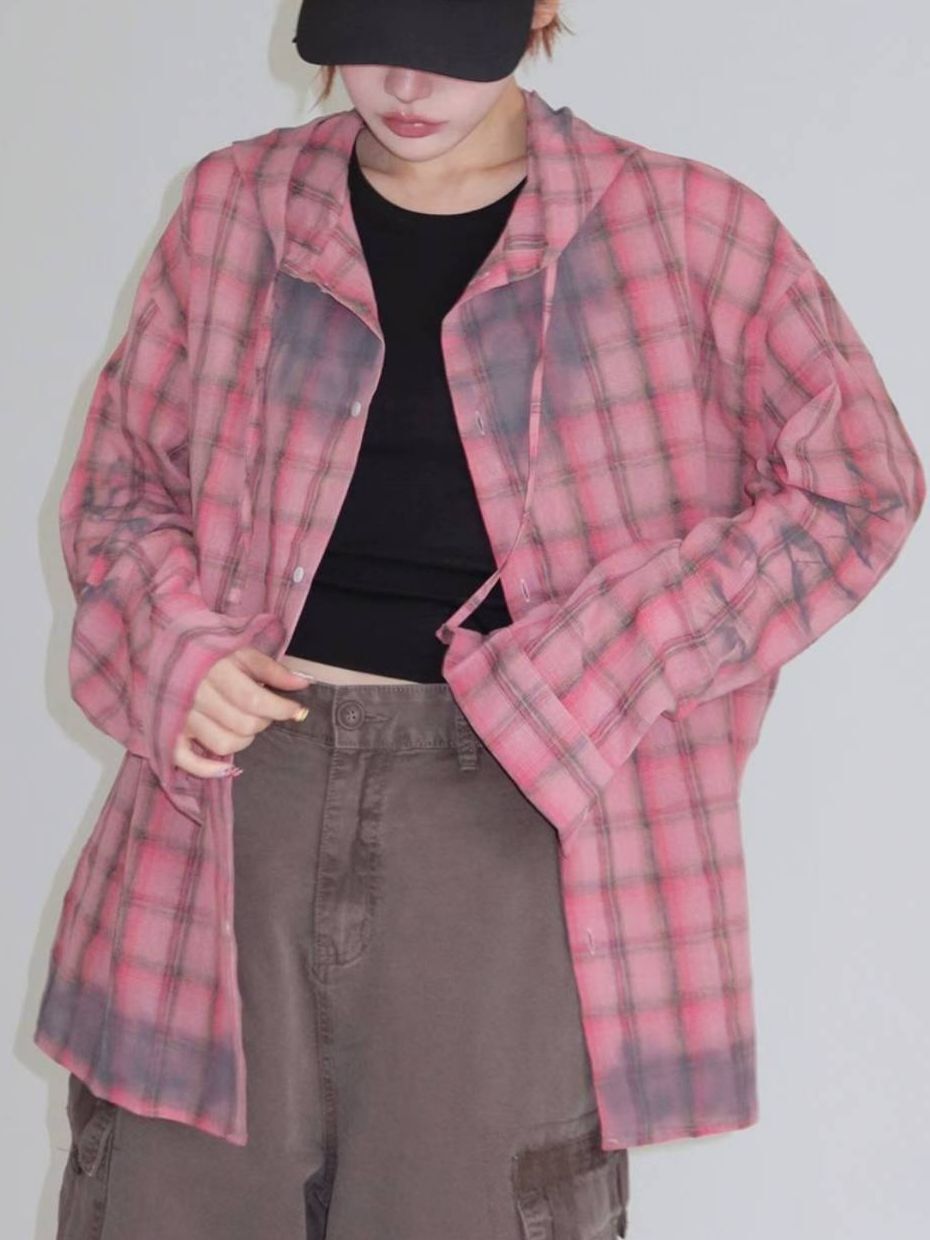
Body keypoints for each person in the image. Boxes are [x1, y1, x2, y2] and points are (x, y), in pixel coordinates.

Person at [37, 1, 924, 1237]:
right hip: (227, 805)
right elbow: (120, 485)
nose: (406, 83)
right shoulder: (236, 206)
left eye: (452, 38)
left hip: (515, 820)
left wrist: (601, 663)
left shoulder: (685, 225)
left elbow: (860, 485)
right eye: (370, 35)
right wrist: (177, 651)